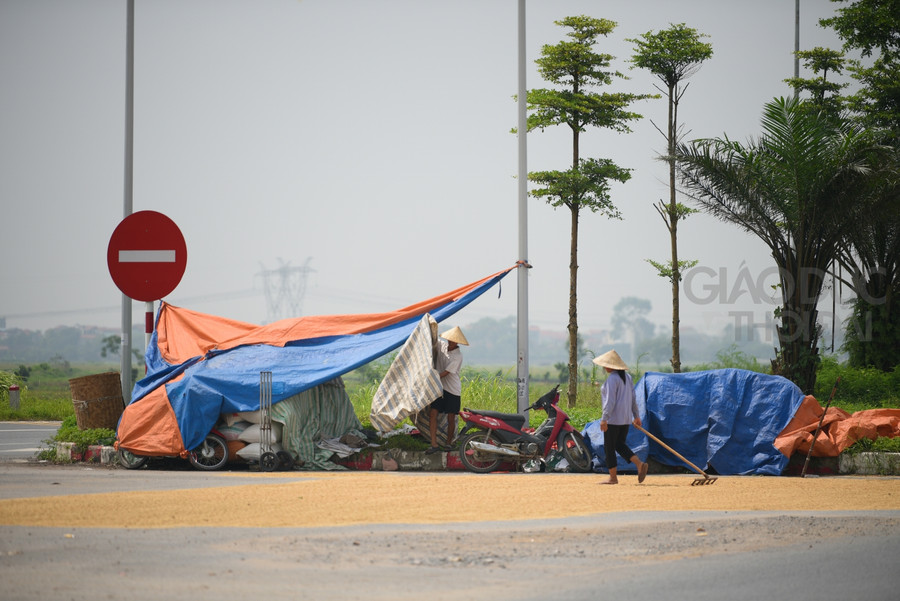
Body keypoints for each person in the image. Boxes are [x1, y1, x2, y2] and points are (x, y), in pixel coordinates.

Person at [593, 349, 648, 484]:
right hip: (625, 420)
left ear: (611, 366)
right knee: (619, 445)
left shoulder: (613, 379)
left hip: (613, 420)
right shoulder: (627, 378)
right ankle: (639, 464)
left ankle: (613, 478)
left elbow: (610, 401)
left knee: (609, 448)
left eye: (606, 365)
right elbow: (633, 399)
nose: (604, 367)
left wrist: (604, 419)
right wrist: (636, 415)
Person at [426, 326, 468, 454]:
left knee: (451, 418)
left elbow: (445, 373)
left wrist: (429, 377)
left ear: (458, 342)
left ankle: (448, 443)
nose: (451, 342)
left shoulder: (458, 356)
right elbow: (431, 340)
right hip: (439, 388)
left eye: (454, 340)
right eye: (450, 339)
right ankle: (434, 444)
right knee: (433, 413)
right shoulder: (441, 346)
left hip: (452, 390)